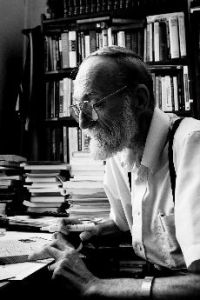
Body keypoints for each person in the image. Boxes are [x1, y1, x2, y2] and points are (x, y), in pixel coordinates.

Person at [30, 46, 200, 299]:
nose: (83, 123)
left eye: (93, 104)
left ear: (139, 100)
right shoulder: (121, 148)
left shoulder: (191, 144)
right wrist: (87, 227)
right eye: (78, 109)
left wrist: (94, 285)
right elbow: (124, 221)